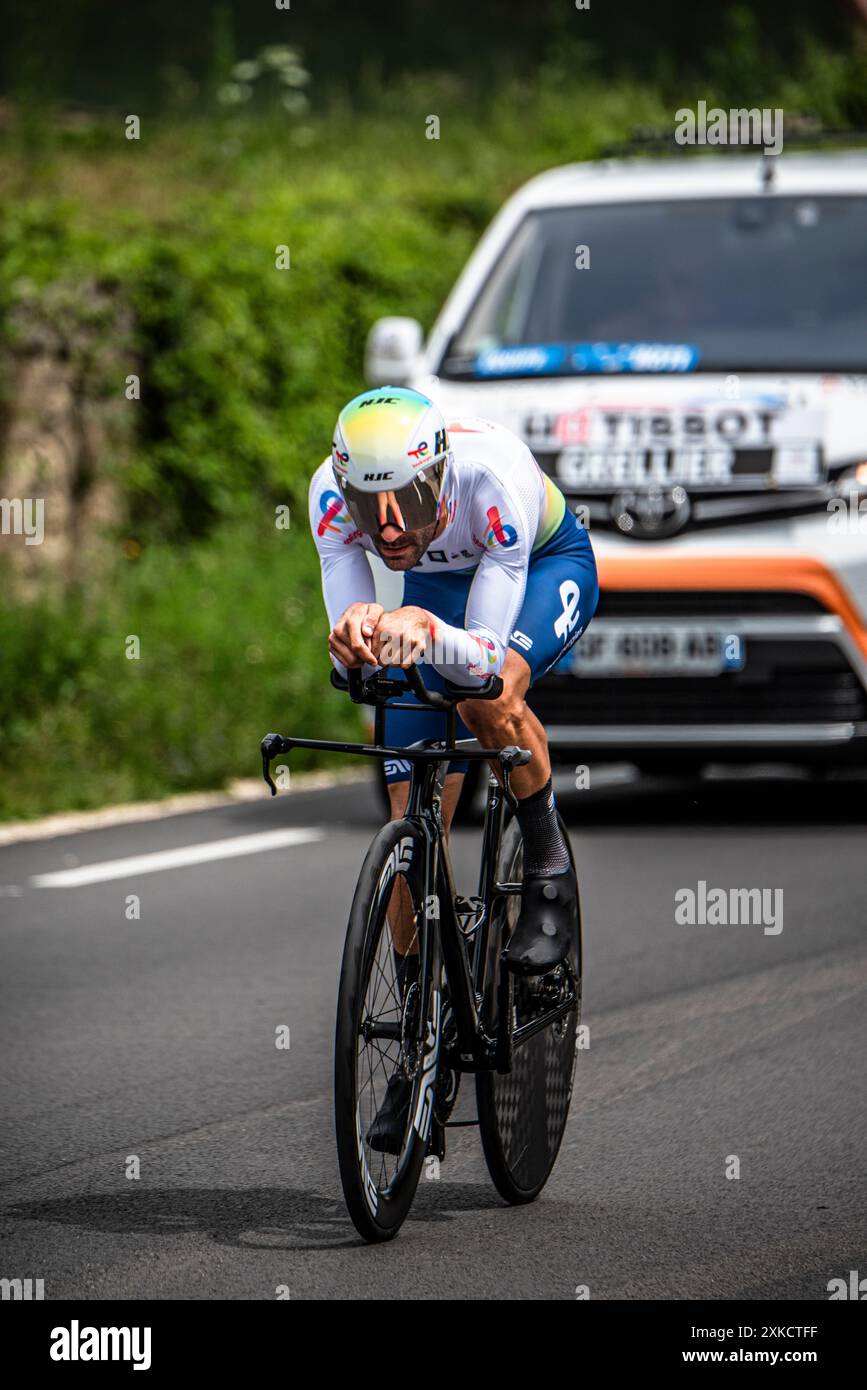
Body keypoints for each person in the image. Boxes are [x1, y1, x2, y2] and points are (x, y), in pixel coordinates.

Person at [308, 387, 598, 1149]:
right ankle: (420, 1043)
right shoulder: (327, 500)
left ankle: (546, 864)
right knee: (407, 826)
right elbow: (358, 654)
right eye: (370, 508)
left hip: (537, 566)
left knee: (487, 699)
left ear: (437, 477)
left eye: (406, 499)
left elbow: (477, 660)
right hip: (438, 595)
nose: (389, 527)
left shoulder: (491, 481)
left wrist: (421, 628)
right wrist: (357, 639)